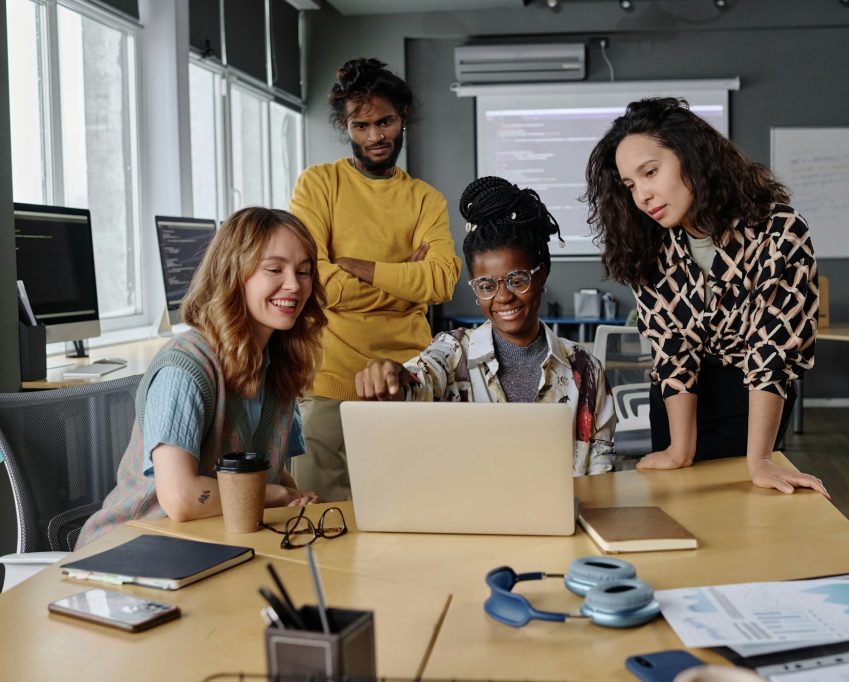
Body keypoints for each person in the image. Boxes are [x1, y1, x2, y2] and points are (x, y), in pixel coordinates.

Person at [584, 97, 828, 497]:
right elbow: (673, 348)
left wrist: (761, 461)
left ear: (691, 156)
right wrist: (680, 449)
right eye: (631, 185)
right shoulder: (647, 244)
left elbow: (771, 350)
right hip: (679, 399)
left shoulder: (779, 229)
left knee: (746, 513)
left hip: (752, 396)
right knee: (680, 507)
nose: (642, 195)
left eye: (650, 172)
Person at [77, 207, 328, 547]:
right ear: (234, 274)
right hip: (132, 550)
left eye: (304, 271)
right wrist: (279, 495)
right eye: (274, 269)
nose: (294, 285)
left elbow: (270, 471)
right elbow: (181, 497)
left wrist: (296, 496)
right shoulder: (184, 369)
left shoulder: (279, 364)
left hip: (213, 546)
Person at [354, 176, 616, 476]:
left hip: (566, 521)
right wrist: (395, 379)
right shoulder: (454, 353)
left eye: (517, 279)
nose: (503, 296)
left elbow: (601, 469)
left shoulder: (585, 370)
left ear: (541, 276)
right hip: (471, 519)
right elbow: (420, 381)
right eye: (486, 285)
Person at [289, 57, 461, 501]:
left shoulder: (425, 199)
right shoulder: (318, 185)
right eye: (360, 125)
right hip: (330, 384)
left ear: (402, 117)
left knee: (412, 515)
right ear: (346, 126)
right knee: (322, 523)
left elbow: (441, 281)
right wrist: (403, 276)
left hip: (409, 379)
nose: (374, 136)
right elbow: (314, 282)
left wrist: (361, 267)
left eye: (384, 122)